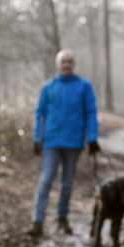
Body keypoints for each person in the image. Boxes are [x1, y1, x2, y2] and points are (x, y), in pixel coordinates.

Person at [27, 49, 100, 237]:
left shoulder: (84, 86)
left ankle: (62, 219)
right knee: (45, 182)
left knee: (66, 183)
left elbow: (90, 113)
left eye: (70, 61)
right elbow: (39, 113)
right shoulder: (48, 87)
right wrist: (37, 138)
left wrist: (92, 138)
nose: (66, 64)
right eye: (63, 61)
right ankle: (37, 222)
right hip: (50, 141)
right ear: (57, 64)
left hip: (74, 143)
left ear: (74, 64)